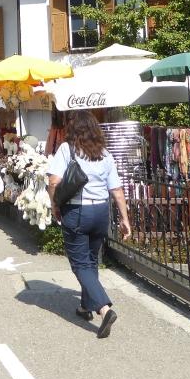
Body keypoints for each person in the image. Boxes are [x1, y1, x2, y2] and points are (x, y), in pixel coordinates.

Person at [46, 110, 131, 339]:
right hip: (101, 211)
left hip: (77, 210)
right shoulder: (105, 153)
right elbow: (117, 189)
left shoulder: (68, 149)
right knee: (91, 260)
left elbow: (53, 180)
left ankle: (104, 309)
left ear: (74, 128)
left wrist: (55, 204)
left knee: (80, 264)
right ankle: (85, 306)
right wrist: (124, 219)